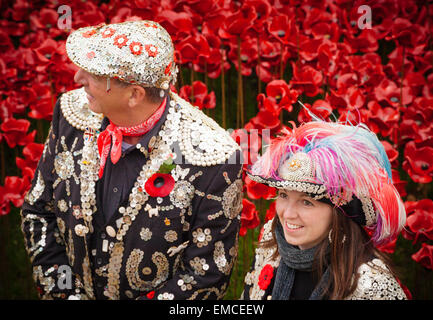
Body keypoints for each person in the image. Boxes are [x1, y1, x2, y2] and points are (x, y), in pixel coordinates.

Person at [20, 20, 243, 300]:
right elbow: (39, 212)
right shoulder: (70, 114)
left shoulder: (214, 157)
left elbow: (206, 276)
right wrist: (64, 293)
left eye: (95, 74)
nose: (78, 78)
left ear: (135, 94)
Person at [241, 119, 408, 300]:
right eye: (283, 195)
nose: (287, 214)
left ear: (339, 213)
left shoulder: (372, 287)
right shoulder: (272, 242)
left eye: (306, 202)